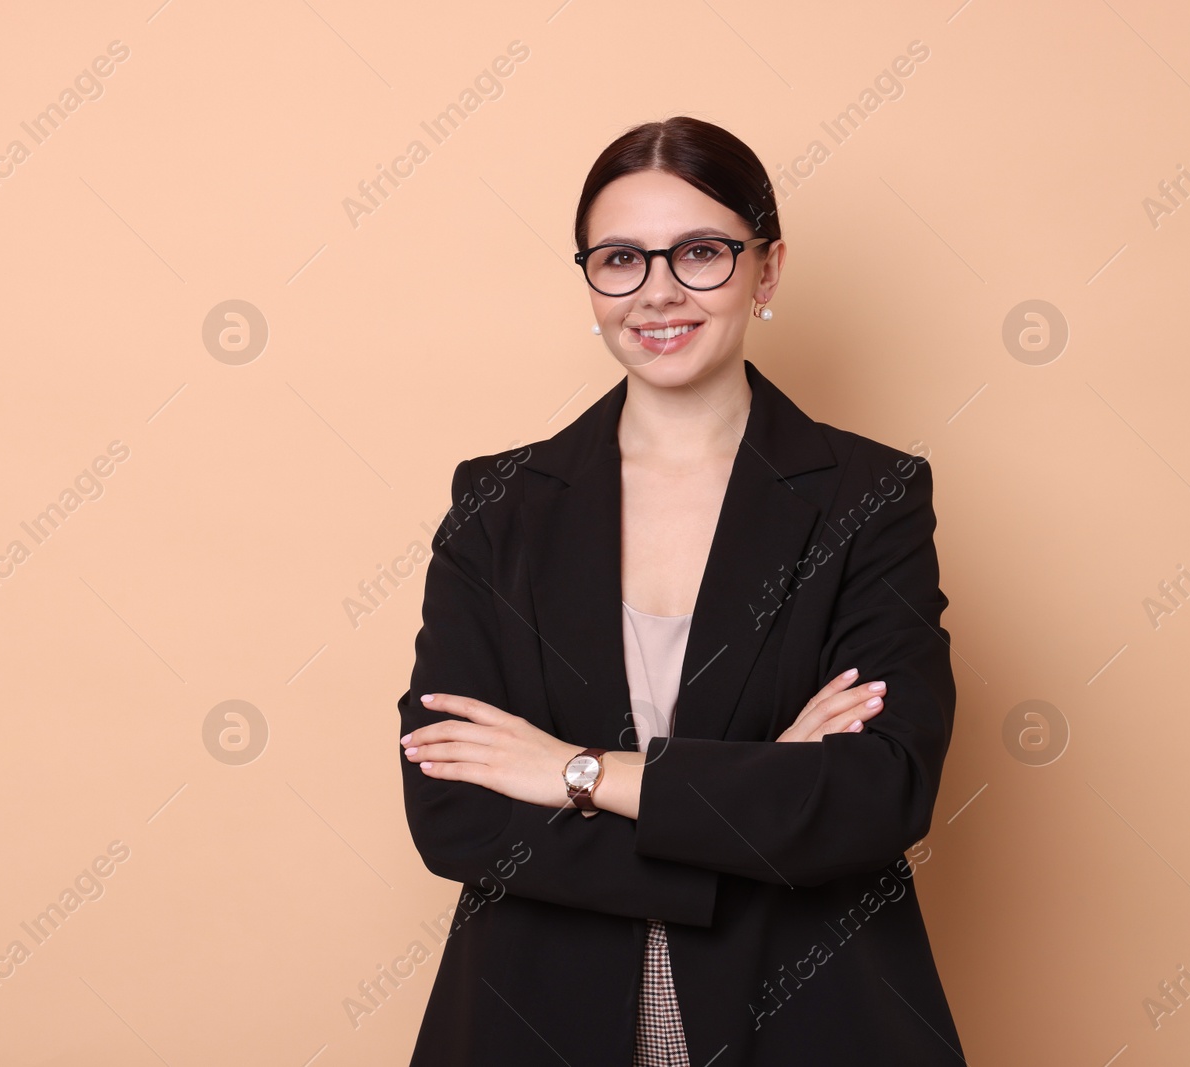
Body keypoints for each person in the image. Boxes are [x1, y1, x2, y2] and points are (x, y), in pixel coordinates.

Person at [396, 116, 965, 1065]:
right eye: (621, 258)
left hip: (809, 1016)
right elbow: (454, 808)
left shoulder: (872, 499)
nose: (658, 292)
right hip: (534, 1015)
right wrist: (757, 795)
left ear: (767, 269)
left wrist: (577, 773)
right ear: (588, 279)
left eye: (701, 252)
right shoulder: (496, 504)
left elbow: (877, 794)